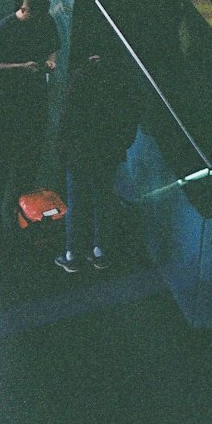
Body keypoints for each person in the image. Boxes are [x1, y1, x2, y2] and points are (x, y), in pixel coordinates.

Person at [0, 0, 60, 225]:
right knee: (1, 156)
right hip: (9, 100)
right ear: (24, 9)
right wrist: (20, 67)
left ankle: (21, 203)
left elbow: (53, 47)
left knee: (29, 154)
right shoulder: (3, 30)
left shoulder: (45, 21)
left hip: (34, 98)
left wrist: (50, 61)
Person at [56, 56, 139, 273]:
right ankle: (99, 252)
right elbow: (129, 123)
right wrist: (120, 146)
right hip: (107, 154)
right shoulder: (123, 86)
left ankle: (71, 254)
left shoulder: (80, 80)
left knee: (76, 201)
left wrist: (63, 148)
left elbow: (67, 119)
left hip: (79, 152)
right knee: (103, 200)